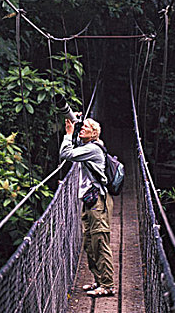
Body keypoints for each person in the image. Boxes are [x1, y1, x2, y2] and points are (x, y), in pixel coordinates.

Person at [59, 116, 115, 297]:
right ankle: (99, 281)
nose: (82, 128)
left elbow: (66, 154)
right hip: (90, 201)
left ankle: (107, 285)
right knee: (90, 244)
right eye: (82, 126)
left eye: (86, 127)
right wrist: (74, 127)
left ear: (94, 133)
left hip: (98, 202)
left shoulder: (93, 149)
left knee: (100, 243)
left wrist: (68, 134)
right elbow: (75, 147)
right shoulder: (88, 147)